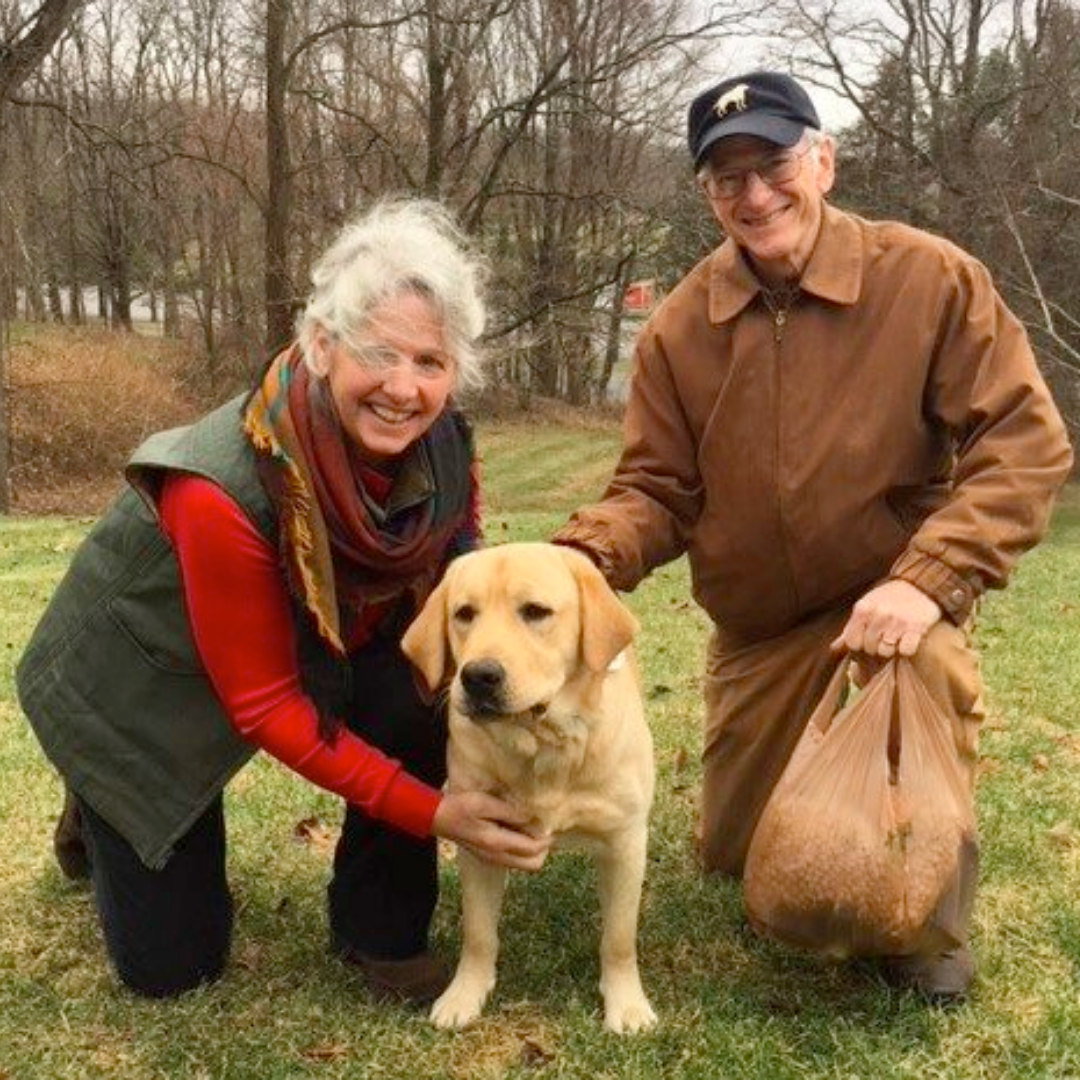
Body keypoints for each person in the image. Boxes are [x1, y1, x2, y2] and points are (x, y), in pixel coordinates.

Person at [554, 70, 1073, 999]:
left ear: (823, 161)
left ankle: (923, 926)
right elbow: (657, 489)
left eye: (775, 162)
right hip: (760, 637)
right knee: (737, 860)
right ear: (708, 195)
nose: (756, 195)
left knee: (923, 682)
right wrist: (584, 554)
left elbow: (1025, 441)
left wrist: (928, 579)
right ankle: (777, 806)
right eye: (727, 178)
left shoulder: (929, 279)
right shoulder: (678, 330)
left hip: (889, 610)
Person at [16, 199, 550, 1003]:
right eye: (377, 351)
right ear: (322, 344)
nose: (404, 388)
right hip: (139, 688)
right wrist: (435, 812)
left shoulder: (445, 442)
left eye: (431, 362)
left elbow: (459, 565)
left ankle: (378, 933)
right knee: (174, 970)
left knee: (421, 690)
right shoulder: (220, 491)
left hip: (319, 636)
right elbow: (267, 706)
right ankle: (100, 806)